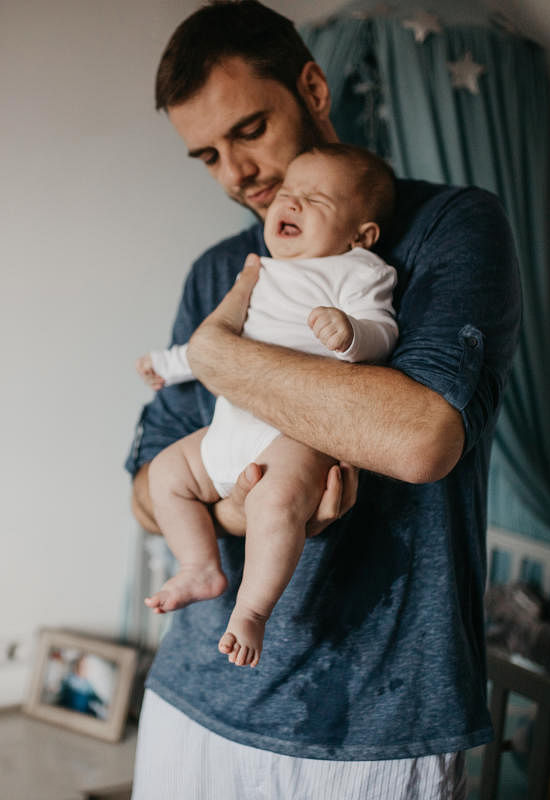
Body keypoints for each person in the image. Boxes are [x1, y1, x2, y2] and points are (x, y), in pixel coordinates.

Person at [124, 1, 521, 797]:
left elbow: (420, 438)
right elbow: (144, 486)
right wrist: (250, 509)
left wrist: (219, 355)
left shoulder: (449, 227)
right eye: (206, 155)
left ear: (312, 86)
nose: (236, 174)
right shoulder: (219, 269)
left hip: (378, 717)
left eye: (249, 130)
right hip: (195, 690)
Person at [136, 145, 399, 669]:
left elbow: (384, 332)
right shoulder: (257, 272)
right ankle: (200, 566)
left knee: (277, 505)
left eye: (315, 198)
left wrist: (351, 334)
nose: (292, 204)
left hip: (293, 434)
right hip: (230, 425)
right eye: (288, 195)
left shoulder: (357, 271)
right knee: (167, 472)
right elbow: (217, 343)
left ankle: (253, 608)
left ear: (360, 234)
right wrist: (170, 363)